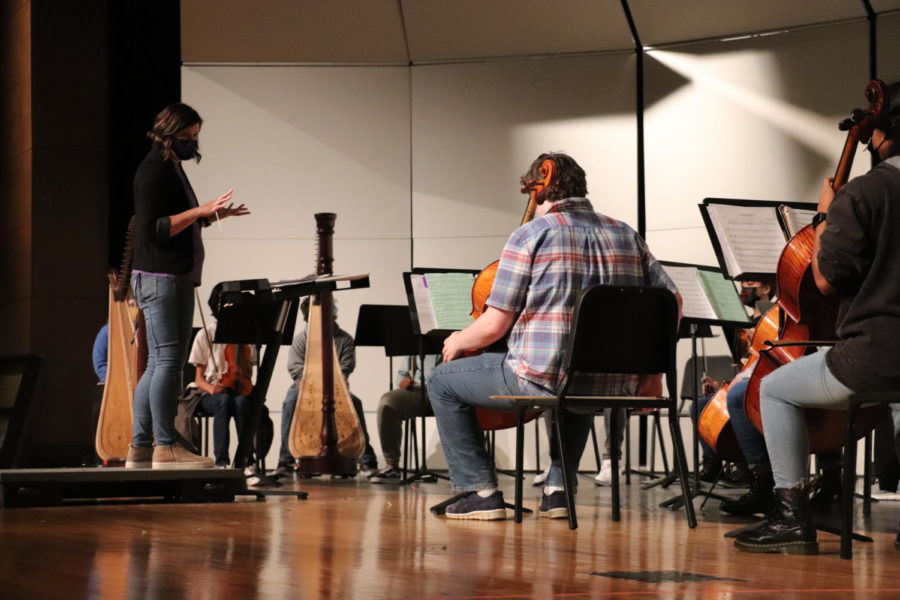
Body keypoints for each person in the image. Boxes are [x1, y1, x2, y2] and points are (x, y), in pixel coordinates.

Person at [428, 152, 679, 520]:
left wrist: (459, 340)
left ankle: (479, 491)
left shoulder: (532, 234)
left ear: (540, 189)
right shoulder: (626, 233)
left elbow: (495, 326)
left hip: (545, 378)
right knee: (577, 373)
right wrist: (653, 373)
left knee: (441, 382)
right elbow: (672, 301)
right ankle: (559, 489)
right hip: (612, 384)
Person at [735, 102, 900, 554]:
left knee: (775, 389)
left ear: (880, 135)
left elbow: (826, 280)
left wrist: (827, 215)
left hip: (877, 356)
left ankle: (791, 516)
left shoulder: (865, 194)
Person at [127, 103, 249, 469]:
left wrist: (209, 216)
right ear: (167, 134)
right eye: (186, 137)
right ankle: (166, 446)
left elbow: (175, 226)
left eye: (196, 137)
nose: (192, 144)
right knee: (166, 362)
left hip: (171, 277)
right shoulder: (153, 171)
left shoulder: (170, 168)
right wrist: (199, 211)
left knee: (159, 364)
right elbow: (154, 229)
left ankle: (140, 448)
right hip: (160, 278)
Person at [275, 297, 378, 477]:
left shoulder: (344, 339)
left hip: (335, 387)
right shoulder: (301, 339)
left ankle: (367, 460)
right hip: (305, 387)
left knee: (355, 401)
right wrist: (310, 382)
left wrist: (337, 380)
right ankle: (285, 460)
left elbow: (346, 367)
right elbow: (295, 368)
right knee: (291, 401)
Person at [186, 314, 255, 468]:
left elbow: (249, 369)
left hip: (236, 391)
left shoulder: (244, 334)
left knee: (241, 402)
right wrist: (211, 388)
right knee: (223, 401)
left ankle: (247, 461)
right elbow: (198, 379)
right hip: (208, 393)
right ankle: (221, 462)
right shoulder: (206, 333)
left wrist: (241, 373)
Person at [369, 355, 440, 483]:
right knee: (388, 403)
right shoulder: (416, 339)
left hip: (450, 390)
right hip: (420, 390)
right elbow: (402, 373)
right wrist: (403, 381)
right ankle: (392, 465)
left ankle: (467, 470)